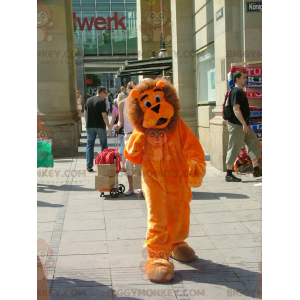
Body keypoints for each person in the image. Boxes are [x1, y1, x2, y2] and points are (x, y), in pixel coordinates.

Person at [225, 70, 262, 182]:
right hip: (238, 125)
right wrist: (244, 124)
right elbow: (236, 109)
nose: (246, 79)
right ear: (237, 79)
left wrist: (245, 125)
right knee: (234, 147)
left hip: (243, 124)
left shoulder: (239, 91)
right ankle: (229, 174)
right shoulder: (236, 92)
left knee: (253, 142)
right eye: (244, 78)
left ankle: (256, 169)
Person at [113, 81, 137, 195]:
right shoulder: (122, 103)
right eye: (131, 88)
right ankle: (131, 188)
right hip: (128, 136)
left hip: (138, 136)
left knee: (140, 164)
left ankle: (141, 187)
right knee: (128, 163)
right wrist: (118, 125)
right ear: (127, 90)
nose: (133, 90)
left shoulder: (140, 102)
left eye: (135, 88)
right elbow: (121, 120)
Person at [84, 86, 112, 172]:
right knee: (103, 145)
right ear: (102, 92)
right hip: (100, 126)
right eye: (106, 93)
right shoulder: (101, 101)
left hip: (90, 126)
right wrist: (109, 127)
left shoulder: (88, 100)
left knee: (89, 145)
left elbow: (85, 113)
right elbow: (104, 115)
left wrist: (87, 123)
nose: (106, 95)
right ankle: (104, 163)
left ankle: (89, 165)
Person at [109, 99, 126, 171]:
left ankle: (122, 163)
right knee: (124, 145)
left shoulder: (115, 109)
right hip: (125, 129)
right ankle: (123, 163)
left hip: (118, 130)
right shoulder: (126, 106)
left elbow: (113, 120)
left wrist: (110, 129)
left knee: (122, 145)